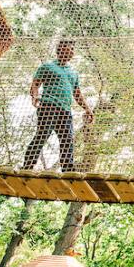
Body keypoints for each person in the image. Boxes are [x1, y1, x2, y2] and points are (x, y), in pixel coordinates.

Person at [23, 39, 92, 171]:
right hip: (48, 107)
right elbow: (35, 84)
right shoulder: (47, 67)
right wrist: (35, 96)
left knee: (68, 140)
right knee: (42, 135)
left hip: (65, 111)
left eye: (73, 50)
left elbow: (77, 94)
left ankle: (68, 171)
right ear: (60, 49)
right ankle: (27, 166)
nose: (72, 52)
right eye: (69, 48)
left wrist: (88, 109)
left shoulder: (73, 73)